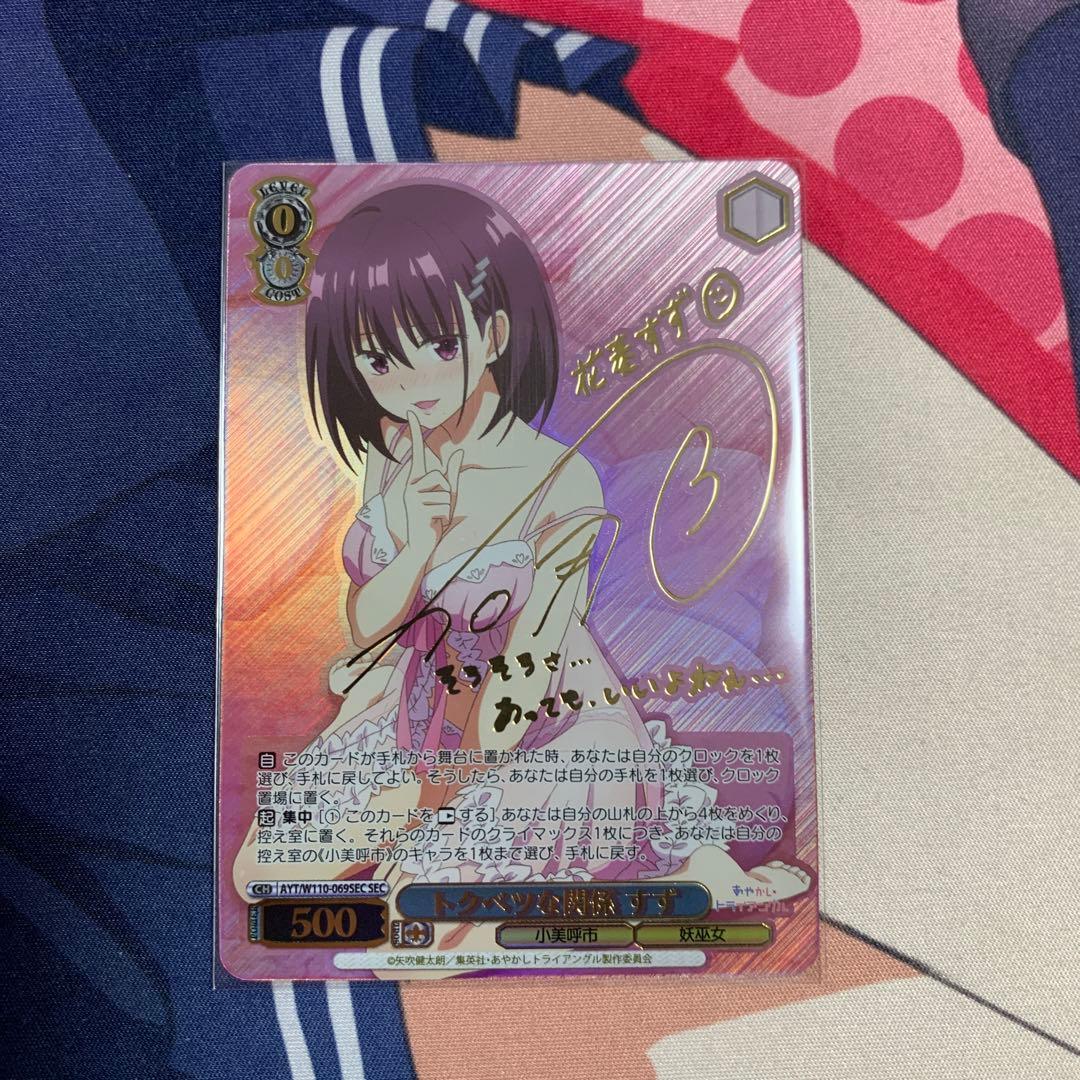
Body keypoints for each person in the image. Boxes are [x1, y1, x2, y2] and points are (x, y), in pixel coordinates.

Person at [232, 181, 810, 944]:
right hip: (412, 713)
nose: (412, 384)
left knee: (418, 920)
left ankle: (672, 875)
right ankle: (655, 875)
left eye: (440, 347)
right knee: (264, 871)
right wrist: (420, 546)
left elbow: (534, 661)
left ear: (496, 331)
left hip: (544, 729)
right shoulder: (390, 458)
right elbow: (369, 627)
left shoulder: (559, 480)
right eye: (378, 360)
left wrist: (443, 795)